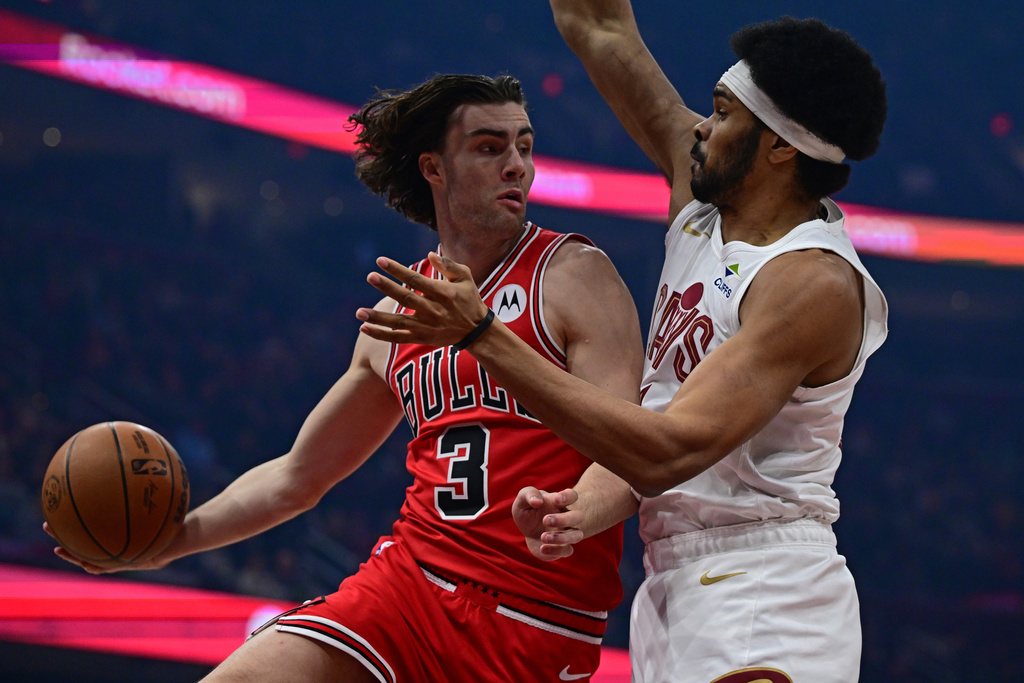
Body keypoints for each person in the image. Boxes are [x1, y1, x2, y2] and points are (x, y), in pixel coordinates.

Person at [45, 73, 645, 682]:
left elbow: (631, 452)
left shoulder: (573, 274)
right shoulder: (395, 315)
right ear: (434, 168)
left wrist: (573, 512)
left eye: (524, 145)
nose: (517, 165)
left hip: (534, 615)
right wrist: (169, 543)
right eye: (491, 147)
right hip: (408, 585)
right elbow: (298, 476)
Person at [355, 3, 888, 681]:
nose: (699, 123)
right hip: (672, 583)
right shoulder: (703, 198)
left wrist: (483, 333)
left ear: (779, 146)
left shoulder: (811, 283)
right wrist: (581, 507)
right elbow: (600, 27)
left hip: (766, 581)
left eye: (723, 113)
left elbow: (667, 450)